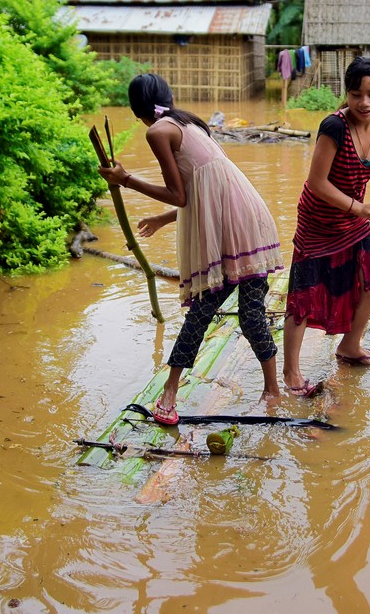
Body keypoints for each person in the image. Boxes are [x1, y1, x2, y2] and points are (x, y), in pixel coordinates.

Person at [99, 74, 285, 424]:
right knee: (246, 313)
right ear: (168, 98)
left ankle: (172, 393)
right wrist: (164, 219)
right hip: (248, 218)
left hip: (230, 229)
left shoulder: (158, 132)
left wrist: (125, 180)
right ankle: (269, 389)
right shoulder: (188, 123)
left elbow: (182, 195)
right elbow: (204, 191)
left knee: (207, 312)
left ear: (136, 109)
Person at [282, 56, 370, 397]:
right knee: (304, 295)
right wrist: (361, 208)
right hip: (318, 222)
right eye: (357, 94)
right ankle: (291, 372)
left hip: (356, 221)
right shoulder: (334, 127)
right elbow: (316, 182)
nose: (365, 102)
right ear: (346, 94)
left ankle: (350, 346)